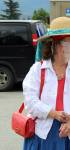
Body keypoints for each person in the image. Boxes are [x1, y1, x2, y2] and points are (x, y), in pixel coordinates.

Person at [22, 16, 70, 150]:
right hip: (43, 136)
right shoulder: (38, 69)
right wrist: (54, 114)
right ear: (56, 45)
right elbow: (30, 102)